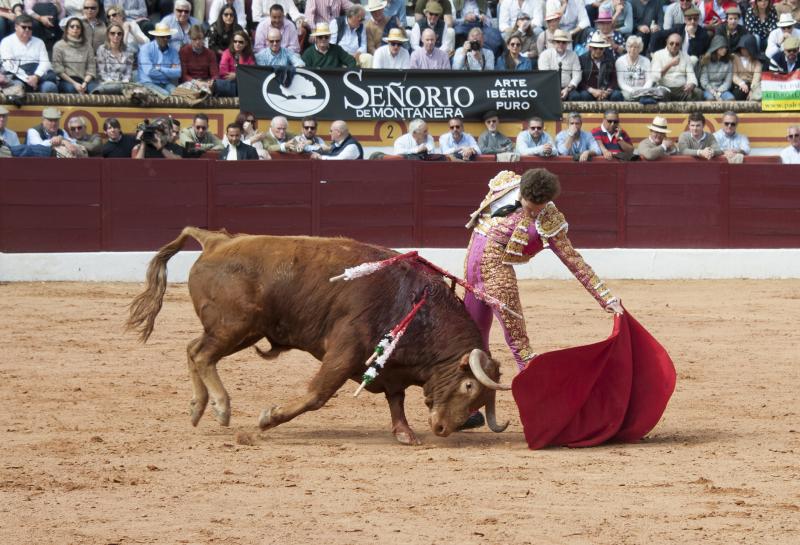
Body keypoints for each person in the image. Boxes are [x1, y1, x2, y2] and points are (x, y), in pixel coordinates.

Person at [463, 167, 622, 372]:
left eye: (537, 210)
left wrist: (606, 298)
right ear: (522, 192)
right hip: (471, 265)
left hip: (498, 273)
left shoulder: (548, 217)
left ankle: (535, 397)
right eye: (529, 208)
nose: (532, 214)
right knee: (471, 335)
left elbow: (573, 260)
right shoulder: (505, 184)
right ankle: (471, 401)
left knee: (520, 344)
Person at [0, 14, 58, 92]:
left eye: (30, 28)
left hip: (38, 75)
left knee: (50, 87)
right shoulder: (6, 42)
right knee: (17, 88)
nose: (27, 30)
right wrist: (27, 78)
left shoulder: (39, 42)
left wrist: (36, 77)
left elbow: (45, 62)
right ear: (16, 27)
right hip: (18, 76)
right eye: (24, 27)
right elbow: (8, 65)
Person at [650, 32, 703, 101]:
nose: (674, 46)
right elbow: (655, 77)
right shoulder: (658, 55)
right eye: (671, 43)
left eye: (677, 44)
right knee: (661, 93)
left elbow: (691, 75)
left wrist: (692, 84)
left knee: (698, 92)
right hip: (664, 87)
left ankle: (689, 112)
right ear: (667, 42)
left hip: (681, 89)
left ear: (680, 45)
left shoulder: (686, 56)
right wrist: (669, 64)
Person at [51, 17, 98, 93]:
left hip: (85, 80)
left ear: (81, 30)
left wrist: (85, 83)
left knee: (96, 91)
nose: (75, 28)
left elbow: (91, 69)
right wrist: (75, 84)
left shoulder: (88, 46)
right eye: (72, 26)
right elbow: (58, 70)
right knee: (72, 90)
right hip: (66, 81)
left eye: (78, 27)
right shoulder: (59, 46)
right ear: (67, 29)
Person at [576, 31, 623, 101]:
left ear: (604, 49)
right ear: (590, 47)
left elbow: (614, 79)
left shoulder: (610, 59)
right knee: (584, 95)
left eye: (601, 48)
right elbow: (580, 81)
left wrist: (608, 91)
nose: (598, 51)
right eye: (595, 48)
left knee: (617, 95)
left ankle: (612, 111)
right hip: (589, 91)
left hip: (605, 90)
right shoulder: (582, 59)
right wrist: (592, 90)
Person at [537, 29, 581, 100]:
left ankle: (574, 112)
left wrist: (567, 89)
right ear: (553, 43)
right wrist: (556, 90)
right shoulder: (544, 55)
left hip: (567, 87)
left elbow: (577, 74)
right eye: (558, 42)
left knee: (576, 97)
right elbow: (545, 75)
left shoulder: (573, 55)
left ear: (567, 44)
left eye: (563, 42)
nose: (561, 44)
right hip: (549, 87)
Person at [137, 22, 180, 97]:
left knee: (179, 94)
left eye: (168, 36)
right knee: (166, 95)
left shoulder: (173, 51)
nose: (166, 39)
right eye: (163, 37)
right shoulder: (145, 49)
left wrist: (160, 69)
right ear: (156, 37)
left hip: (165, 83)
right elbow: (149, 72)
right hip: (148, 83)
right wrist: (169, 72)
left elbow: (178, 72)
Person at [94, 22, 135, 93]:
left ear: (122, 35)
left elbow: (128, 71)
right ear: (108, 35)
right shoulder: (102, 49)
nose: (116, 36)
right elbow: (101, 72)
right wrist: (112, 82)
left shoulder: (128, 50)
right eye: (112, 33)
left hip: (124, 84)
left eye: (119, 34)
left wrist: (125, 81)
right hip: (106, 83)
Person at [216, 30, 254, 96]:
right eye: (235, 41)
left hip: (244, 86)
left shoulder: (249, 56)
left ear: (246, 43)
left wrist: (237, 76)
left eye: (240, 42)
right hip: (229, 86)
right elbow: (223, 73)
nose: (237, 44)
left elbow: (252, 74)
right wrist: (243, 76)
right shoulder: (226, 53)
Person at [616, 34, 652, 100]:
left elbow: (649, 80)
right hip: (627, 90)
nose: (633, 49)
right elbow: (620, 82)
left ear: (640, 48)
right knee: (627, 96)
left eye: (636, 47)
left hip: (643, 91)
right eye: (630, 46)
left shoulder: (646, 61)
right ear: (627, 47)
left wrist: (642, 91)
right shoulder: (620, 61)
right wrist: (632, 91)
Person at [699, 34, 734, 100]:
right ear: (716, 48)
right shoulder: (707, 61)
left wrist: (719, 91)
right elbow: (704, 80)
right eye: (722, 47)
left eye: (725, 47)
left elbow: (728, 81)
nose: (724, 50)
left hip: (722, 90)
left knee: (731, 99)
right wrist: (712, 91)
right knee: (710, 99)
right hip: (708, 89)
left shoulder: (729, 62)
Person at [732, 34, 763, 100]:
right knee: (738, 95)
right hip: (738, 84)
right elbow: (733, 75)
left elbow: (756, 78)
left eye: (746, 49)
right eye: (742, 48)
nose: (743, 50)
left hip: (752, 84)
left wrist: (752, 90)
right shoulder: (735, 58)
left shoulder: (757, 61)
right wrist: (741, 83)